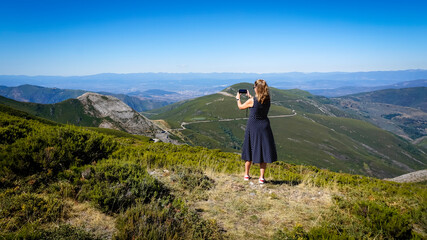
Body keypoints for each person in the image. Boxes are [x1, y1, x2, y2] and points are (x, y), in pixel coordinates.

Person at [236, 79, 277, 184]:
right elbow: (258, 103)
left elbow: (241, 107)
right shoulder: (267, 99)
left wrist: (238, 99)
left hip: (253, 126)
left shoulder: (252, 101)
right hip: (264, 127)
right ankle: (261, 178)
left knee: (249, 148)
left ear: (257, 89)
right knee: (263, 151)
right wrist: (250, 97)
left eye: (254, 87)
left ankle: (246, 175)